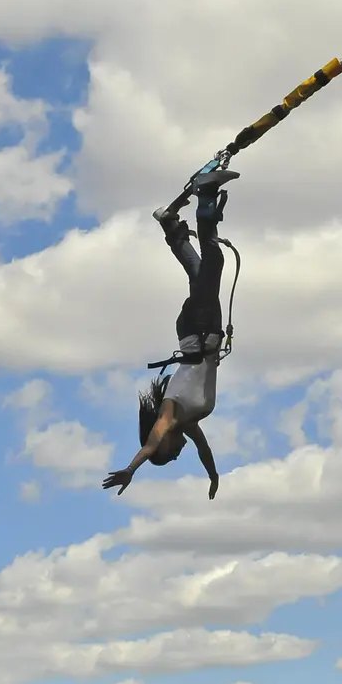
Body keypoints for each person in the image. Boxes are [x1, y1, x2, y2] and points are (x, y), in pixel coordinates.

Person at [102, 168, 238, 499]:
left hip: (201, 331)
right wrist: (214, 476)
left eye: (170, 454)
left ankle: (206, 197)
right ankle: (170, 224)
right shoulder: (188, 424)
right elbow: (203, 449)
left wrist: (131, 469)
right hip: (198, 332)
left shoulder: (169, 415)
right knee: (198, 272)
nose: (178, 453)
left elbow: (151, 444)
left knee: (213, 261)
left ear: (162, 441)